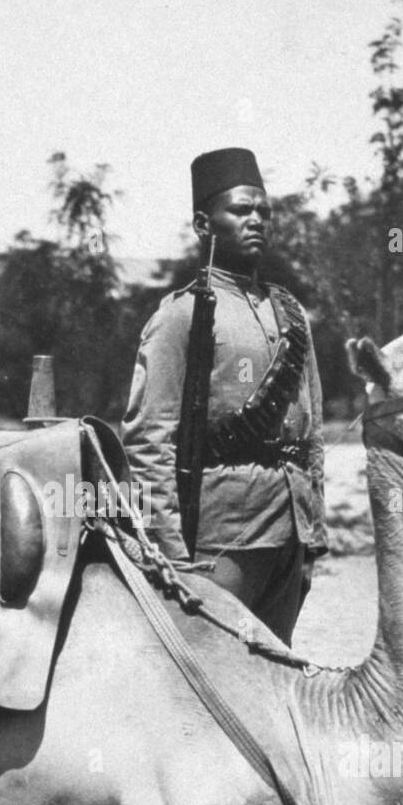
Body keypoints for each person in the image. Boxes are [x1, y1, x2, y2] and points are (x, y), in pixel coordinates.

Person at [120, 147, 327, 645]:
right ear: (203, 224)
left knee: (278, 677)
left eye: (263, 212)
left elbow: (312, 429)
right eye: (240, 210)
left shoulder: (290, 313)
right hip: (219, 540)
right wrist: (171, 556)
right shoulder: (182, 317)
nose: (256, 220)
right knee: (211, 682)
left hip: (288, 532)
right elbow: (149, 443)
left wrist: (313, 529)